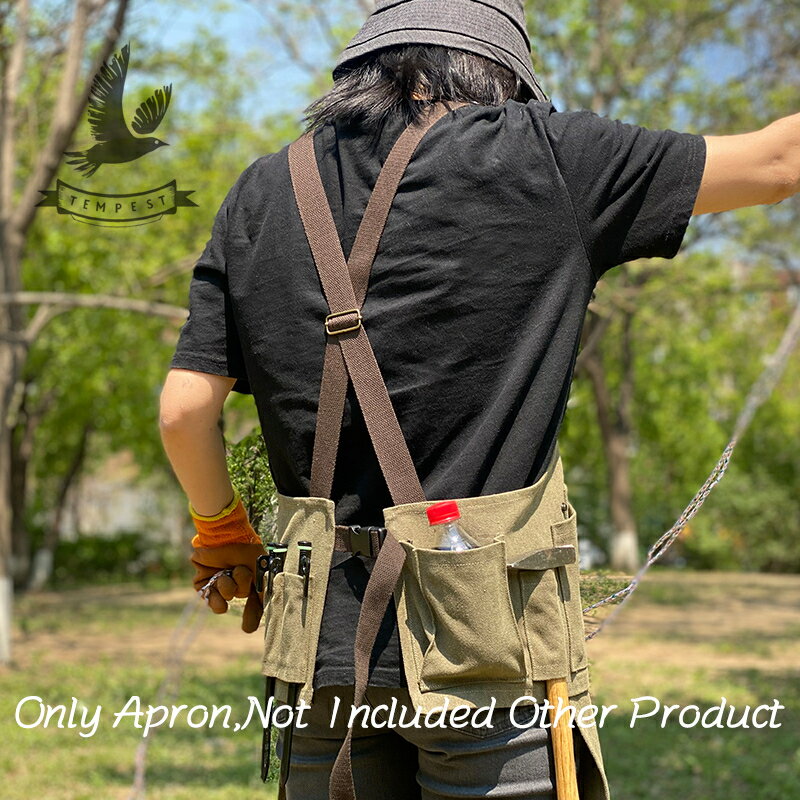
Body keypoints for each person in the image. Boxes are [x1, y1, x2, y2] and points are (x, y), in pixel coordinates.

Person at [159, 1, 800, 798]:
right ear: (502, 67)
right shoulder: (551, 157)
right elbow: (781, 161)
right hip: (488, 651)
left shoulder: (263, 189)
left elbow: (185, 409)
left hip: (321, 652)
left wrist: (221, 528)